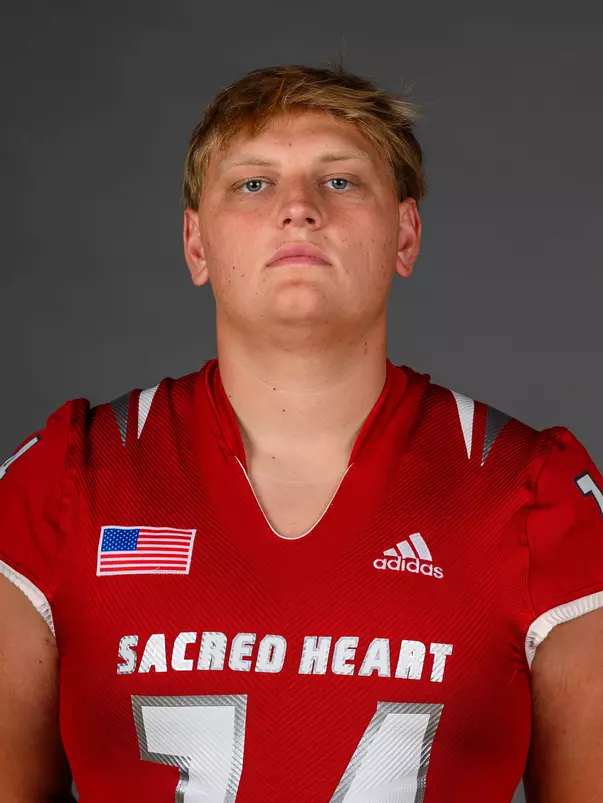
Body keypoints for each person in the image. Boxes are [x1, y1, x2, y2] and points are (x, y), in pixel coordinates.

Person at [1, 61, 602, 803]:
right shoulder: (66, 480)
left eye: (340, 180)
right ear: (195, 244)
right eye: (253, 183)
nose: (298, 209)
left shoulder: (536, 494)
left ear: (405, 235)